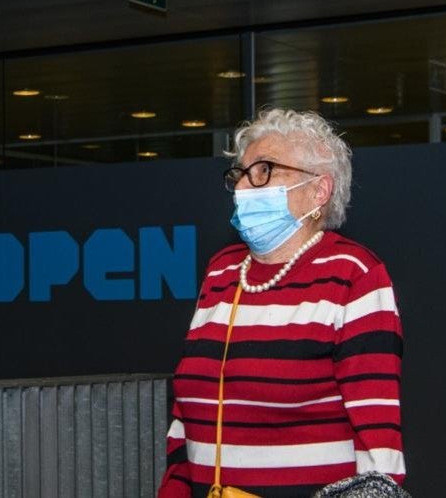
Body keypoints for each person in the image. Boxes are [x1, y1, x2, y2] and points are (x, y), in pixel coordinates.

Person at [159, 109, 405, 498]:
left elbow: (378, 445)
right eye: (240, 174)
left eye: (264, 170)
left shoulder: (355, 275)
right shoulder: (221, 272)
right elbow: (186, 415)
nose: (243, 187)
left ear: (318, 190)